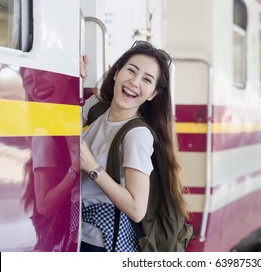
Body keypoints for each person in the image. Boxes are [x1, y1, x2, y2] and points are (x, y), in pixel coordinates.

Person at [79, 41, 188, 252]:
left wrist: (92, 167)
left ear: (152, 94)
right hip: (76, 228)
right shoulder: (96, 106)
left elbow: (137, 209)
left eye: (147, 80)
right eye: (131, 70)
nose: (134, 82)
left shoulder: (137, 135)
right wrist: (74, 79)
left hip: (99, 242)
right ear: (116, 71)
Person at [21, 68, 80, 252]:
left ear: (68, 73)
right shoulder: (44, 135)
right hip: (74, 235)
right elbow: (45, 206)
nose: (36, 83)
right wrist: (76, 169)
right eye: (29, 81)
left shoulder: (88, 117)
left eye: (42, 72)